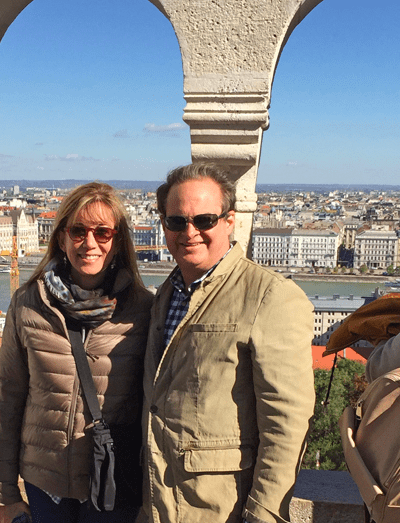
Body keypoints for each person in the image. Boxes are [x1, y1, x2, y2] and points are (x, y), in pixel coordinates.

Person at [141, 163, 315, 523]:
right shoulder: (166, 296)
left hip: (221, 509)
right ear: (163, 224)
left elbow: (286, 423)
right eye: (176, 222)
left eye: (204, 220)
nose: (189, 232)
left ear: (229, 220)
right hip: (158, 503)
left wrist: (264, 515)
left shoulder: (270, 295)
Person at [0, 182, 153, 523]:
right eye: (78, 230)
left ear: (118, 240)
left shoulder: (143, 310)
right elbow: (9, 398)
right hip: (45, 480)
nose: (89, 242)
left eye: (103, 232)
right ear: (61, 238)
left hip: (113, 482)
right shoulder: (27, 304)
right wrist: (3, 490)